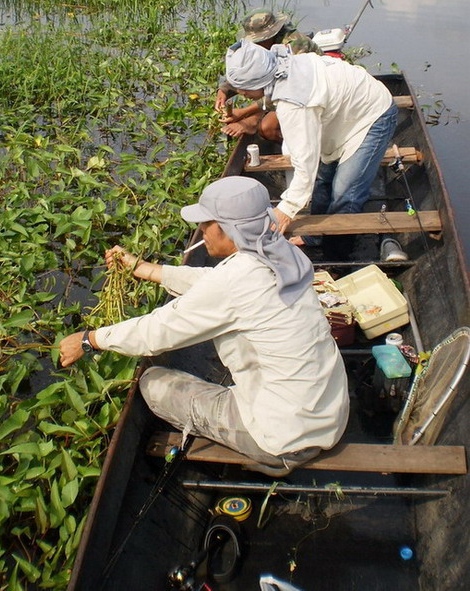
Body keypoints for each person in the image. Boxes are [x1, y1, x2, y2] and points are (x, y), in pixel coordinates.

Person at [59, 177, 350, 477]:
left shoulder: (235, 281)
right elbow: (214, 285)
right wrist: (145, 269)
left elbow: (156, 331)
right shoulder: (285, 253)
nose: (201, 231)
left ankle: (274, 459)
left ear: (230, 229)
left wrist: (89, 339)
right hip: (330, 413)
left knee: (152, 384)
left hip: (287, 435)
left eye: (207, 223)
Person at [222, 40, 399, 253]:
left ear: (259, 80)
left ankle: (338, 258)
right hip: (341, 115)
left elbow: (304, 164)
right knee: (323, 178)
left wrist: (285, 210)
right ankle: (315, 237)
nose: (240, 92)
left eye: (244, 88)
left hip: (372, 115)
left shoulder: (293, 104)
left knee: (346, 193)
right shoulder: (280, 68)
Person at [214, 9, 295, 142]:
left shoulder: (292, 46)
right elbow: (247, 69)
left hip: (298, 94)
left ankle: (256, 123)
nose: (254, 44)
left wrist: (245, 112)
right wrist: (224, 90)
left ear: (271, 35)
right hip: (279, 92)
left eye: (258, 40)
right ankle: (256, 118)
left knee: (268, 128)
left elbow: (285, 89)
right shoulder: (259, 47)